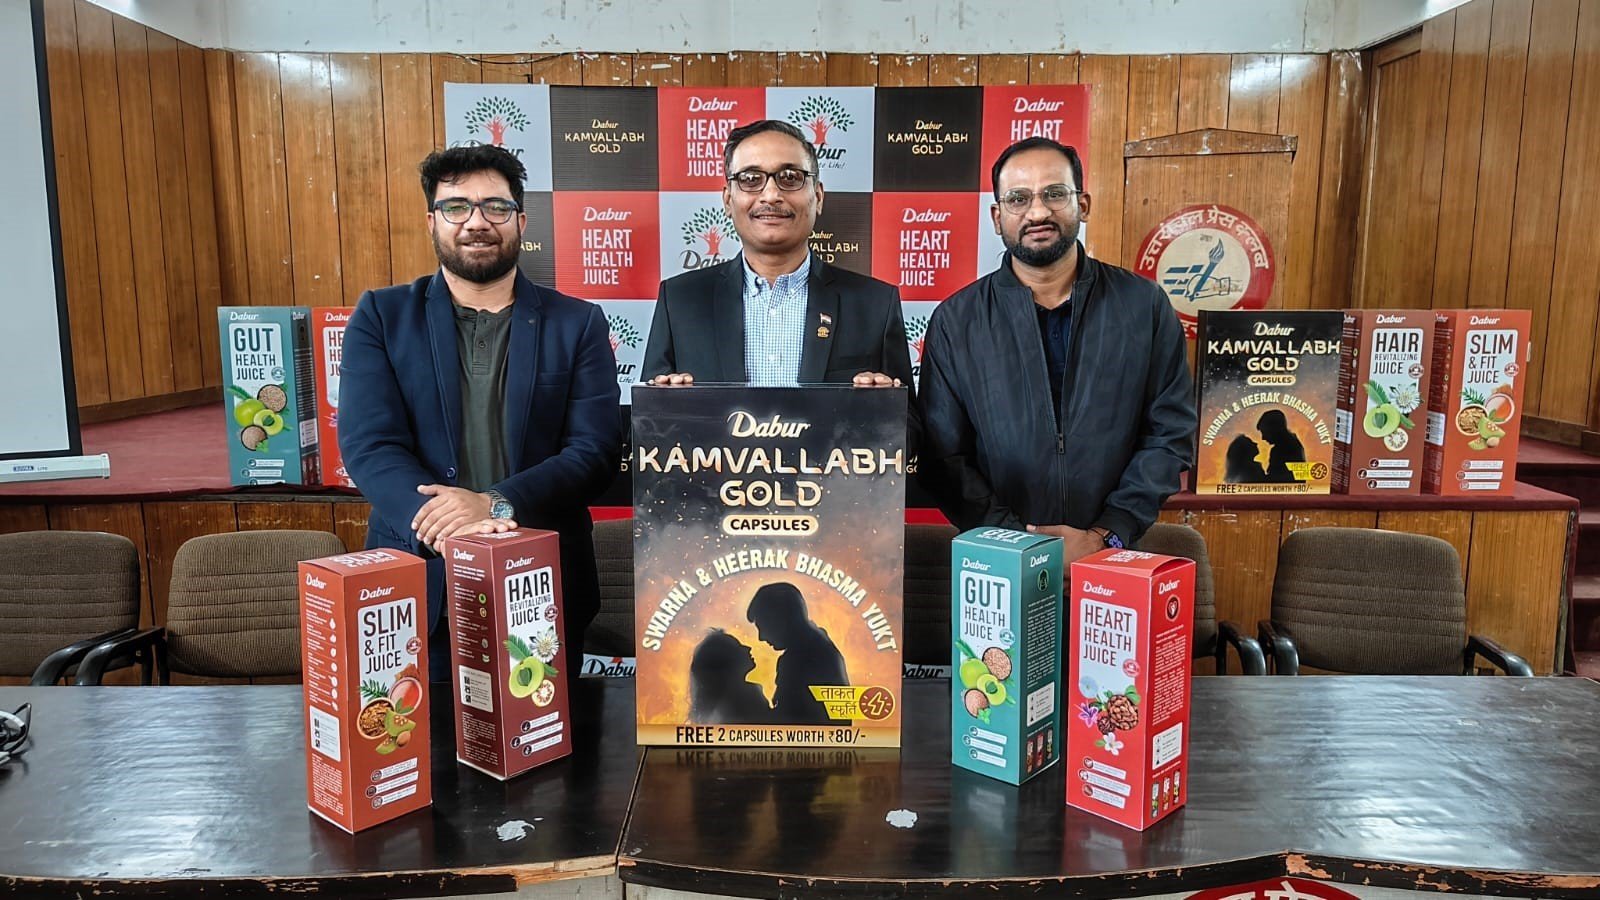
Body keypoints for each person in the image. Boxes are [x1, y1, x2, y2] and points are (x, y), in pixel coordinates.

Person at [339, 145, 623, 680]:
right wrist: (442, 525)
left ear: (520, 220)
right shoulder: (382, 316)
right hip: (418, 586)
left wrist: (492, 504)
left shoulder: (578, 323)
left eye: (495, 206)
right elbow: (369, 445)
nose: (476, 222)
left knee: (548, 730)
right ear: (432, 221)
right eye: (456, 207)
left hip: (544, 590)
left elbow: (594, 452)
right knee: (421, 731)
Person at [918, 136, 1195, 561]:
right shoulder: (957, 321)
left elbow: (1169, 435)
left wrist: (1107, 535)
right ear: (997, 216)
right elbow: (944, 457)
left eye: (1054, 194)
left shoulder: (1144, 306)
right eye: (1019, 198)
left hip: (1113, 560)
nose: (1038, 212)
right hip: (998, 563)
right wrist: (1019, 544)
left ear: (1082, 204)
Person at [641, 120, 913, 391]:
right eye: (751, 179)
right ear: (728, 200)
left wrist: (885, 403)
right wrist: (665, 404)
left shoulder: (876, 305)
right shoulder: (679, 301)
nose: (771, 195)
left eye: (790, 178)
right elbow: (646, 416)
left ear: (818, 197)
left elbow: (908, 417)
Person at [746, 582, 847, 724]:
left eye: (764, 626)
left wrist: (752, 700)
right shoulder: (820, 648)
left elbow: (786, 722)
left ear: (782, 620)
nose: (761, 637)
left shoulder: (799, 660)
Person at [687, 629, 772, 724]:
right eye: (737, 647)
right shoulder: (747, 695)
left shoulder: (716, 713)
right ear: (725, 662)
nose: (748, 648)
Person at [1257, 409, 1307, 483]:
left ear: (1274, 429)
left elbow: (1275, 481)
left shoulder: (1283, 450)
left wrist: (1257, 471)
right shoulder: (1292, 445)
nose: (1263, 438)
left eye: (1265, 432)